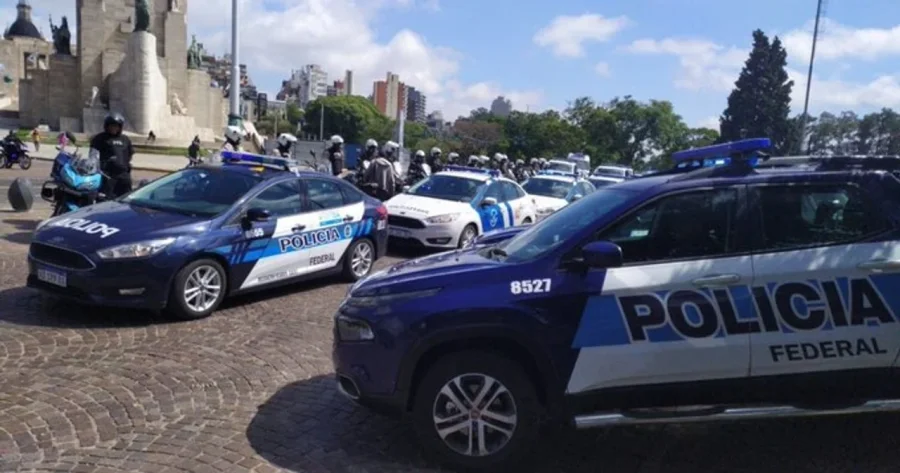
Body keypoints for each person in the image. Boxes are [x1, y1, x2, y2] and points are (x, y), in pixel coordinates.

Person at [89, 112, 134, 198]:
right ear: (107, 126)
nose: (113, 128)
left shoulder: (125, 139)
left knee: (126, 199)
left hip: (124, 176)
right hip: (108, 176)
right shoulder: (99, 138)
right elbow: (93, 157)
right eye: (111, 126)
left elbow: (130, 154)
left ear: (120, 127)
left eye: (116, 126)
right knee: (106, 200)